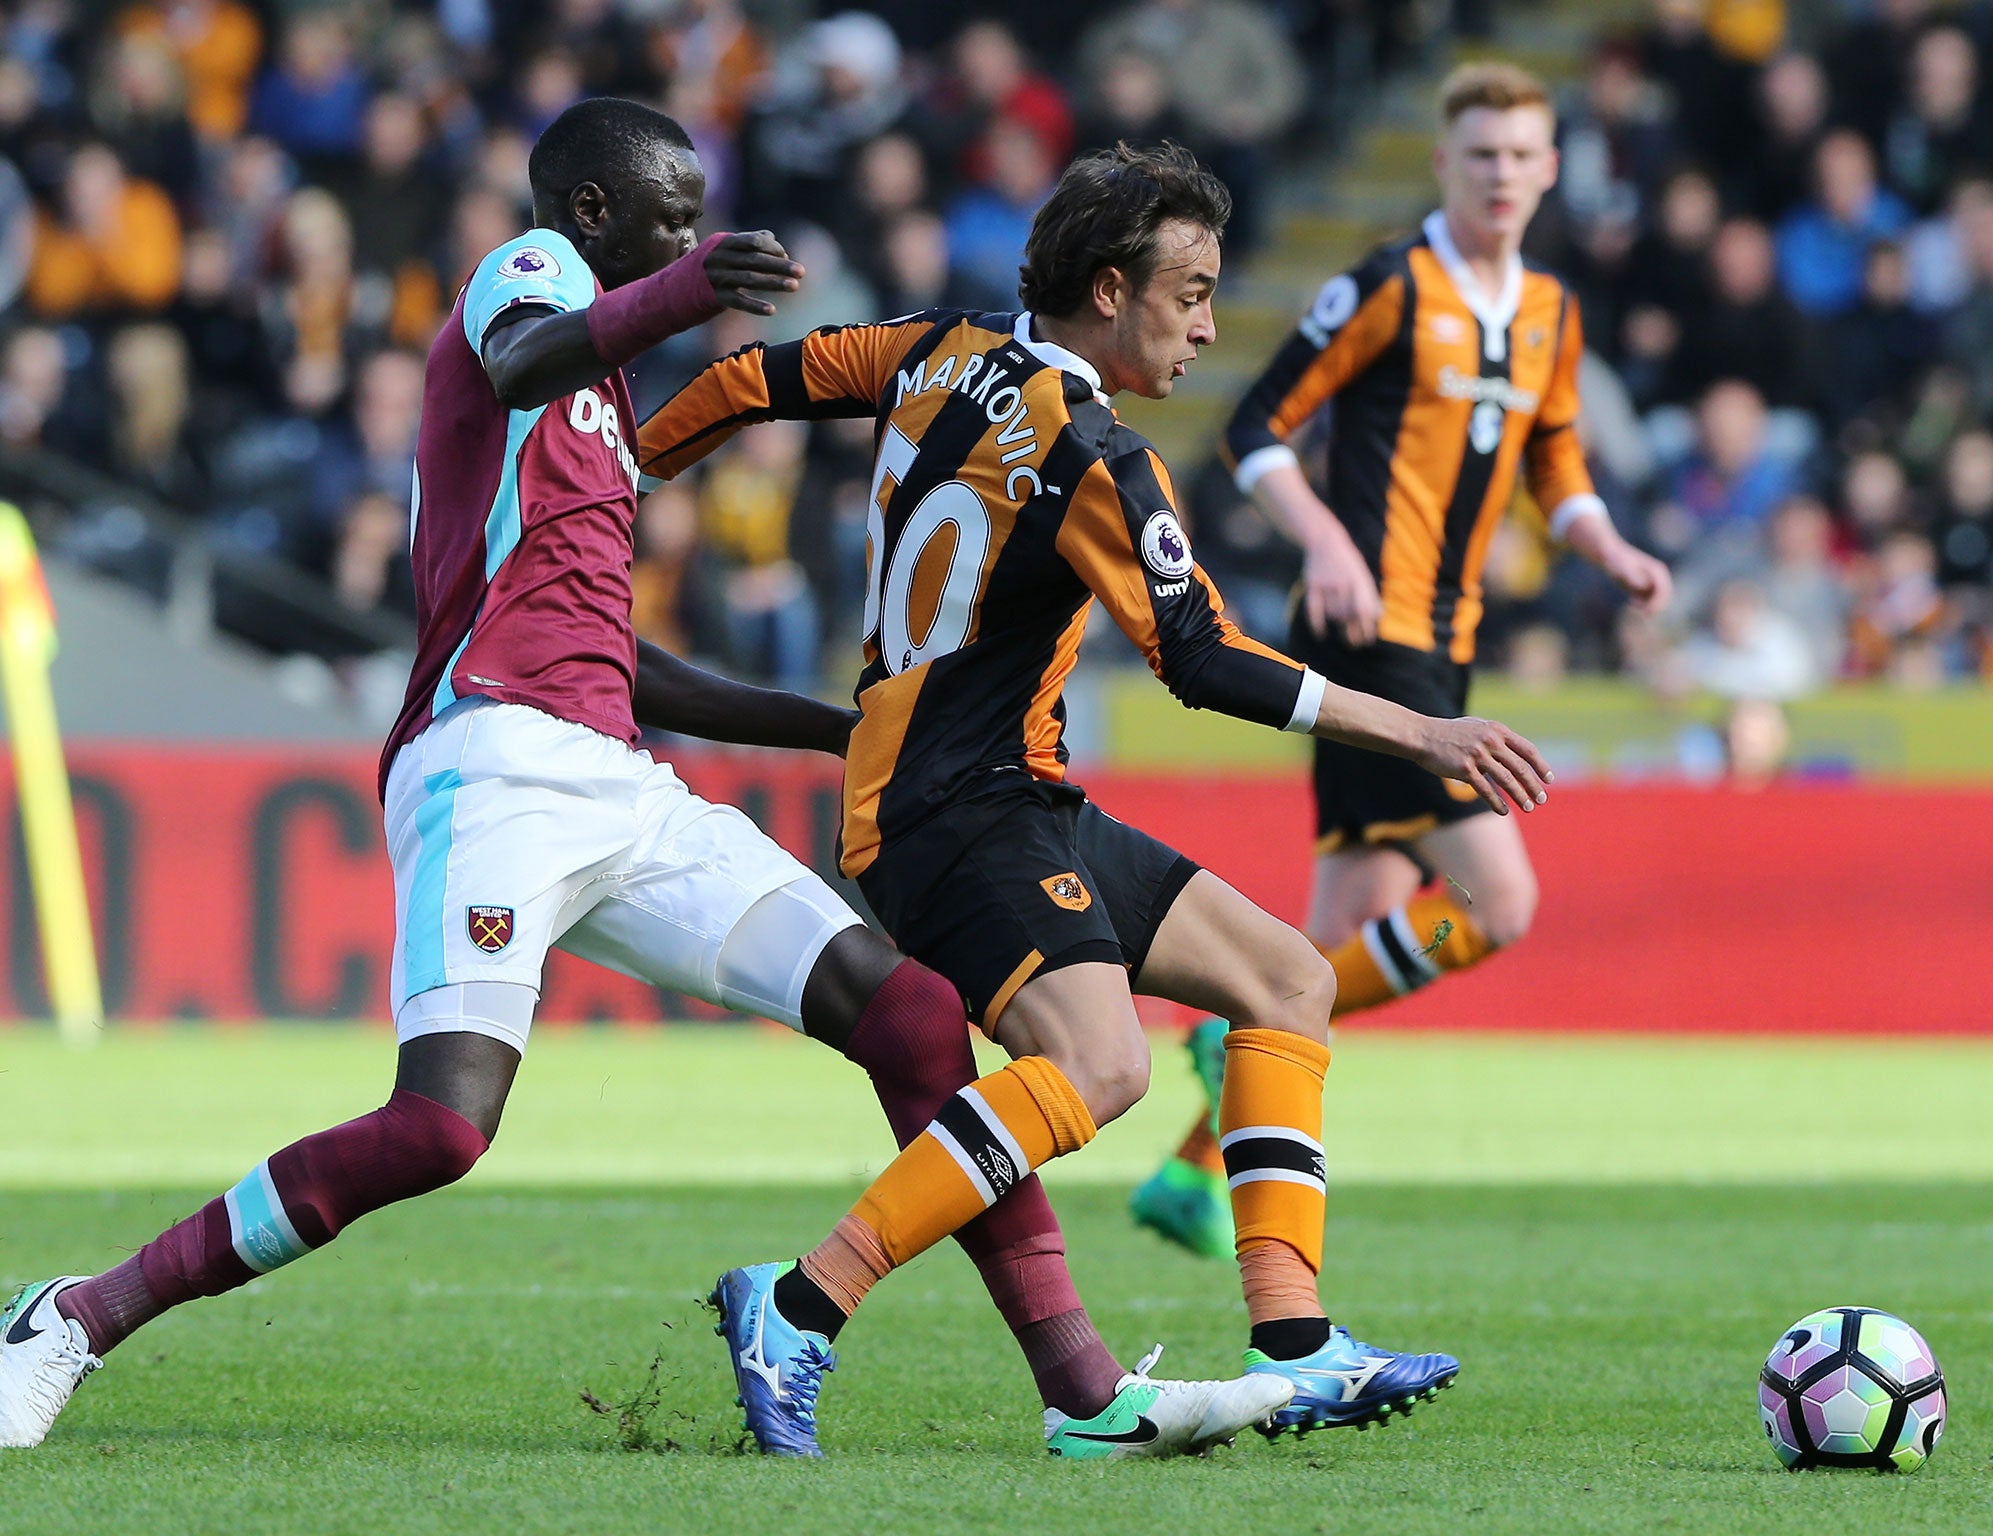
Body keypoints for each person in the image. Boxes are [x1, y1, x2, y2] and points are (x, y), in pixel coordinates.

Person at [0, 99, 1274, 1465]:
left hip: (619, 780)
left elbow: (611, 649)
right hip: (488, 760)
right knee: (438, 1128)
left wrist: (820, 726)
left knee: (909, 1017)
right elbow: (531, 352)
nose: (693, 230)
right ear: (597, 213)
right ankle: (73, 1316)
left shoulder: (601, 411)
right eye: (672, 211)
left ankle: (1082, 1394)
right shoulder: (529, 275)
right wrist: (680, 290)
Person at [635, 141, 1554, 1454]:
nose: (1208, 325)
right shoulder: (1098, 455)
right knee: (1102, 1065)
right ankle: (797, 1307)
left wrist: (621, 485)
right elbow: (1205, 663)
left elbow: (745, 379)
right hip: (956, 811)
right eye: (1190, 294)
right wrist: (1420, 731)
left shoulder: (938, 347)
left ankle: (1297, 1346)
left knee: (1289, 981)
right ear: (1112, 290)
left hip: (1002, 796)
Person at [1134, 64, 1671, 1258]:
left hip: (1451, 642)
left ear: (1547, 167)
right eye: (1478, 154)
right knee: (1495, 901)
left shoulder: (1548, 313)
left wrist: (1606, 544)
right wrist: (1324, 539)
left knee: (1337, 940)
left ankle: (1188, 1172)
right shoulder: (1384, 283)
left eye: (1520, 156)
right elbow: (1253, 428)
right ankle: (1225, 1052)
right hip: (1373, 639)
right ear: (1444, 163)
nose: (1499, 175)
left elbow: (1556, 467)